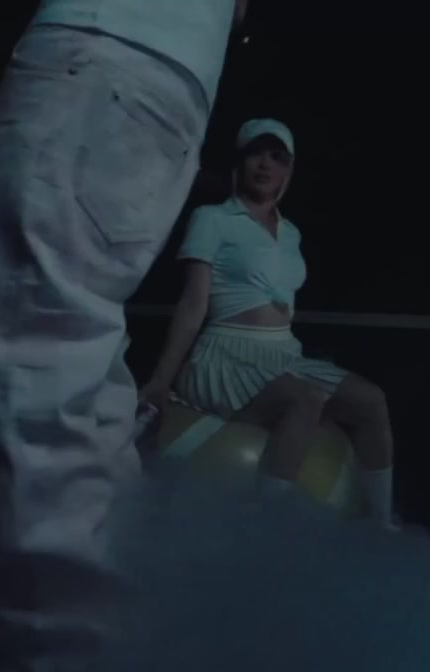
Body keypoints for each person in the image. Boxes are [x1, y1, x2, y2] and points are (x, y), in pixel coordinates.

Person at [0, 0, 249, 565]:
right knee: (82, 370)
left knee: (31, 346)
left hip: (101, 46)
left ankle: (58, 617)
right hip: (172, 74)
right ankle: (125, 594)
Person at [139, 119, 398, 528]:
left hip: (282, 353)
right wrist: (161, 379)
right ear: (240, 160)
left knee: (372, 401)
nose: (265, 164)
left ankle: (382, 524)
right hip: (227, 355)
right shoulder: (212, 219)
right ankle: (266, 530)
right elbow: (192, 304)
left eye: (278, 157)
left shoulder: (290, 232)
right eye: (256, 153)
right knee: (305, 399)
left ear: (288, 170)